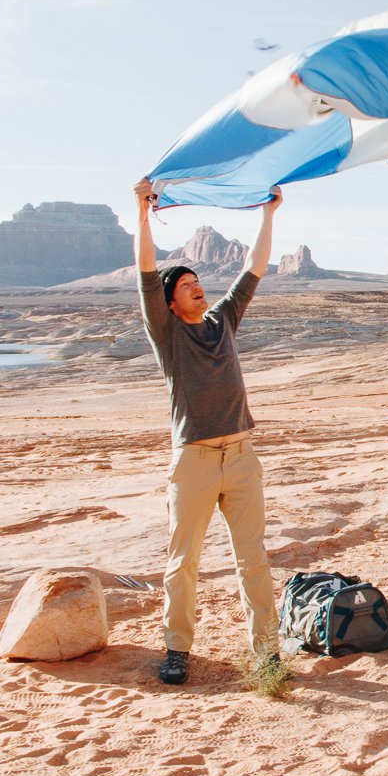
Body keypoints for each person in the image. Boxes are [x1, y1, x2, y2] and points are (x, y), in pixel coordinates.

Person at [133, 178, 283, 686]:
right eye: (187, 284)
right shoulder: (168, 334)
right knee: (184, 562)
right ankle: (177, 650)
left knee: (253, 560)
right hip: (193, 460)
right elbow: (146, 275)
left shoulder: (223, 321)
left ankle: (266, 653)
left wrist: (269, 214)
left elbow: (254, 269)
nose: (198, 286)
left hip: (242, 456)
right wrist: (141, 213)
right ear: (171, 303)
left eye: (199, 280)